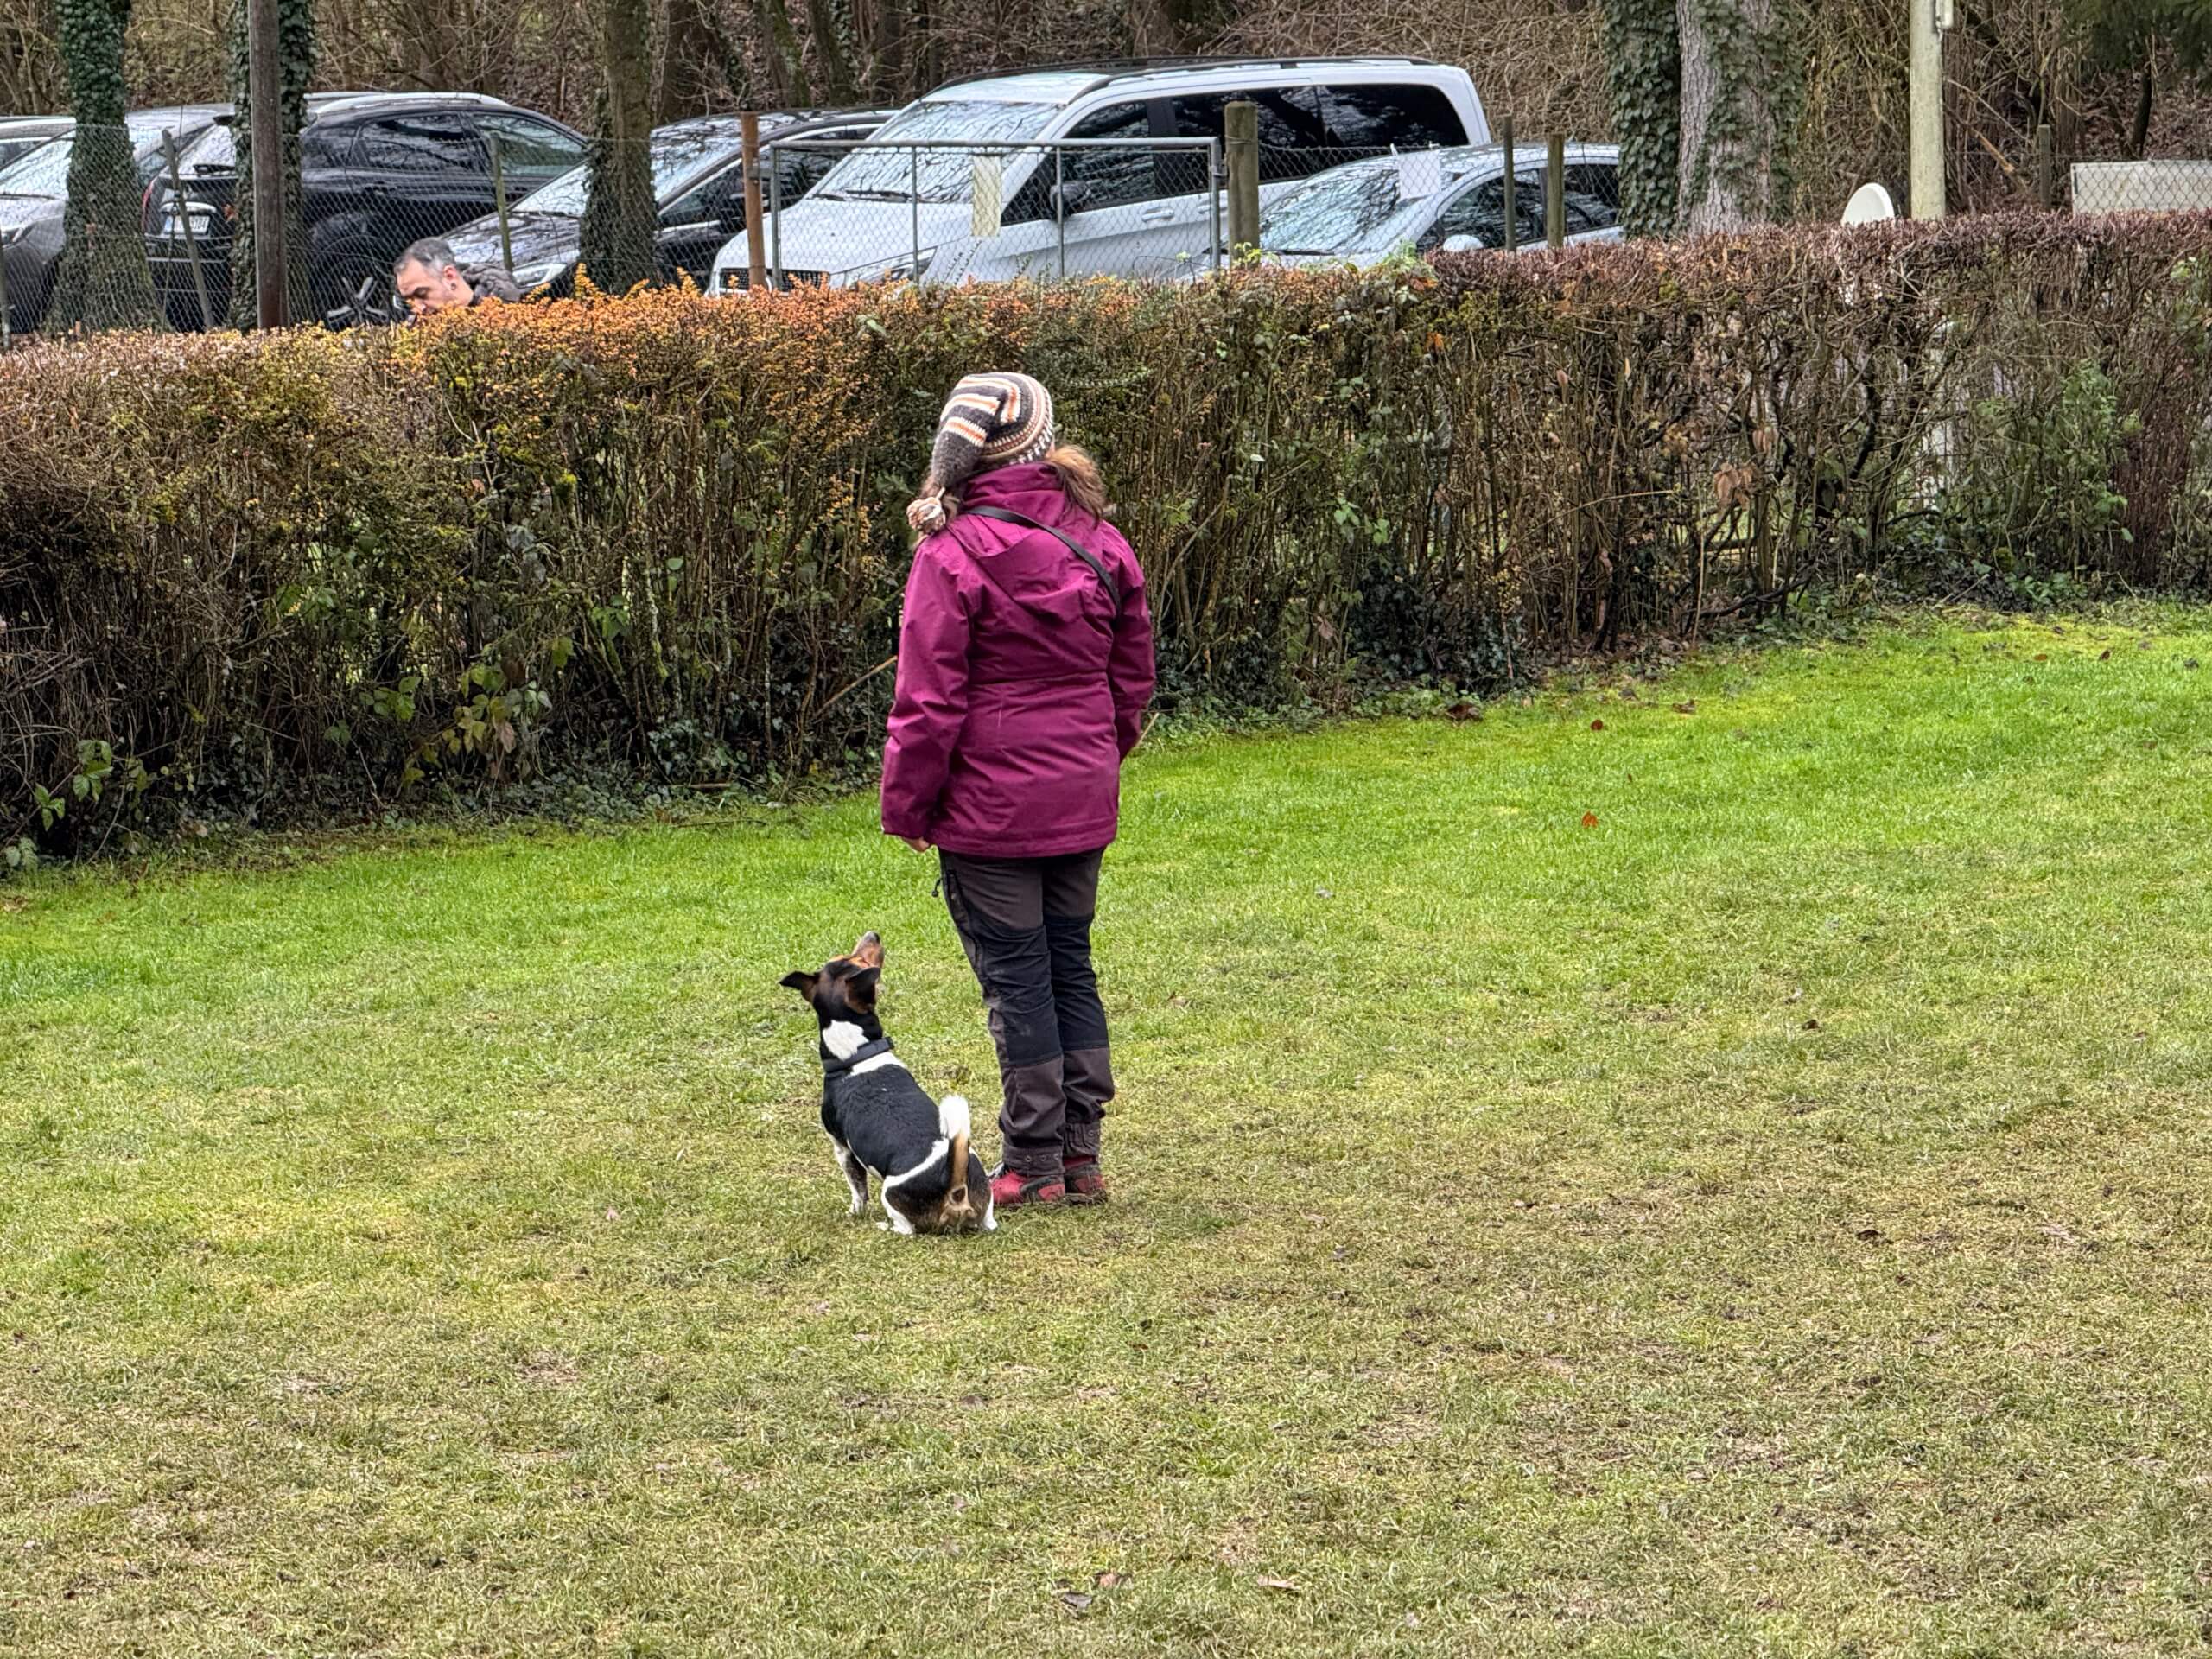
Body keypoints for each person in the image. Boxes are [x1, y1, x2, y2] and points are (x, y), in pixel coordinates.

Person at [882, 372, 1156, 1212]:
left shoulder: (950, 553)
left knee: (1019, 982)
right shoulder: (1104, 542)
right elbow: (1132, 682)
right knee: (1069, 966)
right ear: (1041, 443)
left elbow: (927, 703)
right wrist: (1094, 760)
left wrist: (907, 806)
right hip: (1080, 797)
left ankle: (1033, 1161)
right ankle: (1080, 1155)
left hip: (989, 812)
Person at [391, 238, 524, 318]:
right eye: (409, 301)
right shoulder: (419, 331)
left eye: (422, 294)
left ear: (450, 277)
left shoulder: (505, 318)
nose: (418, 308)